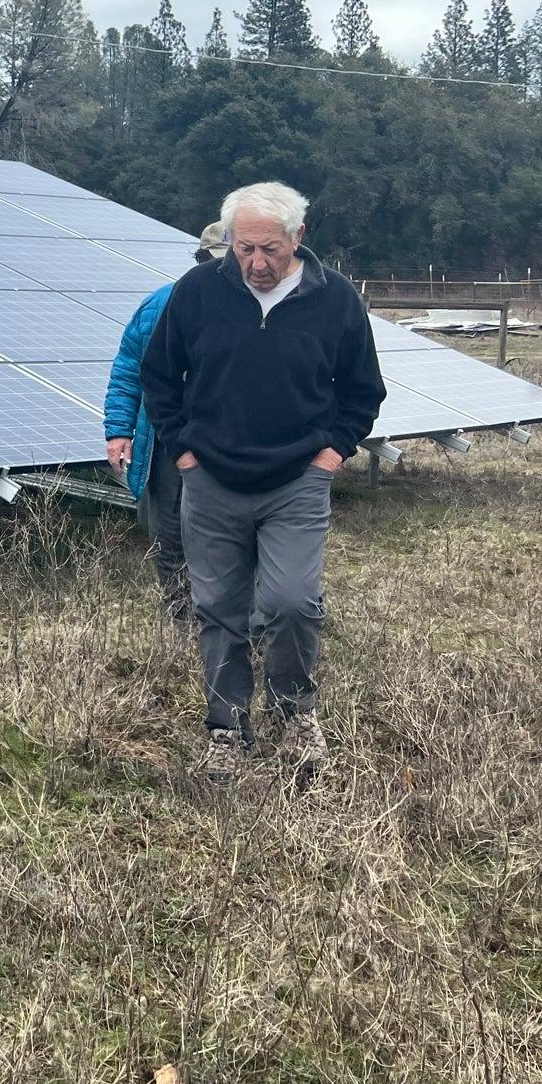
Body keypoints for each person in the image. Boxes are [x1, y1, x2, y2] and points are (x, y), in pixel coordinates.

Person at [139, 182, 385, 780]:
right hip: (212, 480)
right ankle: (226, 727)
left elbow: (362, 390)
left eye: (269, 249)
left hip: (296, 479)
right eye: (243, 248)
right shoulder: (197, 293)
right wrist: (185, 453)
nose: (255, 262)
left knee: (292, 602)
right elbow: (158, 376)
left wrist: (332, 455)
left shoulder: (336, 301)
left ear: (298, 239)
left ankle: (295, 711)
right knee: (219, 608)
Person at [104, 222, 229, 630]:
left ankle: (240, 624)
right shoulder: (160, 305)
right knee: (170, 535)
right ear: (200, 261)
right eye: (213, 262)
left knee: (233, 536)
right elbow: (128, 370)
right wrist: (120, 430)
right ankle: (183, 622)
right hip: (166, 440)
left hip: (231, 444)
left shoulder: (260, 312)